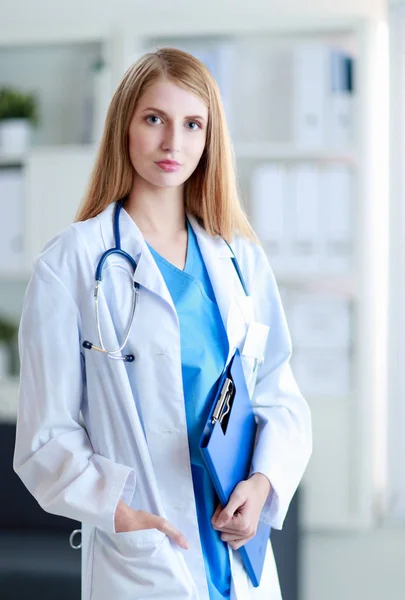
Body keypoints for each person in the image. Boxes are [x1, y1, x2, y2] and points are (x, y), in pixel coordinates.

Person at [13, 47, 312, 600]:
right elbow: (44, 438)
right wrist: (119, 513)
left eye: (192, 124)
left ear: (209, 138)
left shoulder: (239, 259)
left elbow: (280, 394)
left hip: (235, 545)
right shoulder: (74, 263)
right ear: (125, 127)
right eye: (155, 119)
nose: (174, 142)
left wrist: (264, 482)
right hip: (145, 557)